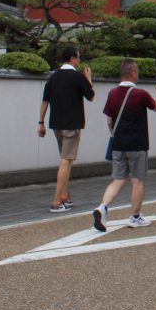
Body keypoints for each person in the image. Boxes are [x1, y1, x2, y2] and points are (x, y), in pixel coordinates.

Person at [91, 59, 156, 230]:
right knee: (137, 180)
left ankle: (102, 207)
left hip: (118, 144)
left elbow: (109, 120)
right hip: (137, 144)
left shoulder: (112, 93)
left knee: (117, 180)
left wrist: (115, 134)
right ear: (132, 73)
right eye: (136, 71)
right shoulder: (140, 94)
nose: (137, 73)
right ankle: (135, 217)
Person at [38, 45, 94, 212]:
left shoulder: (53, 77)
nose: (79, 59)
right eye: (78, 57)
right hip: (72, 125)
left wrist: (40, 123)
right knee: (65, 160)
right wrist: (88, 78)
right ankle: (56, 201)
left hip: (56, 124)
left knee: (66, 160)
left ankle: (65, 196)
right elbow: (91, 96)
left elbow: (45, 102)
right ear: (72, 58)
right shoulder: (77, 77)